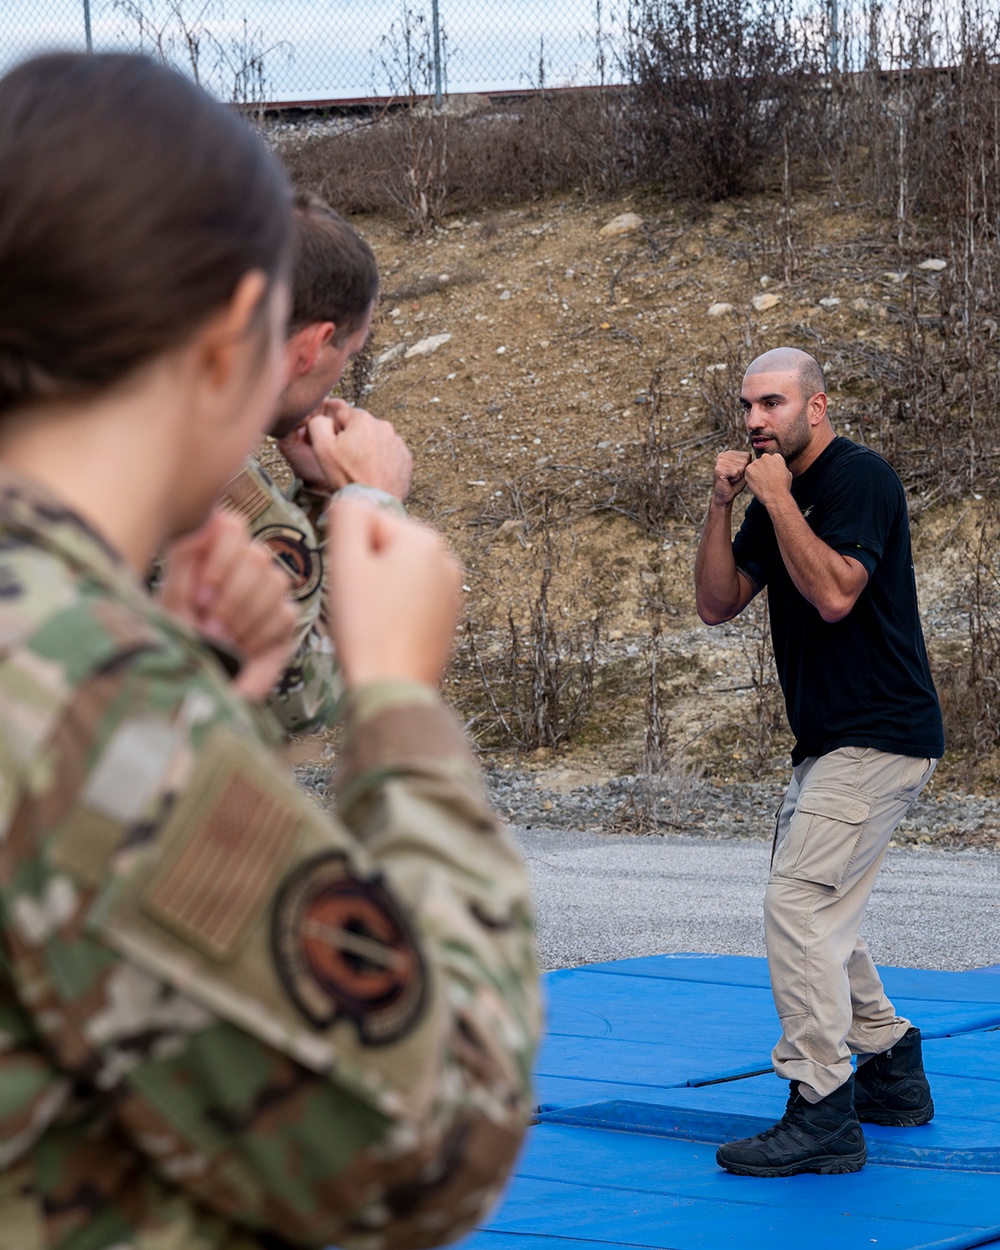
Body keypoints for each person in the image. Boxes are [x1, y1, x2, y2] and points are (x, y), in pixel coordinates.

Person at [0, 50, 538, 1248]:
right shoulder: (86, 695)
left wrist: (201, 690)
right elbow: (434, 1138)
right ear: (246, 327)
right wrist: (399, 705)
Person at [694, 347, 943, 1178]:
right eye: (747, 406)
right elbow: (718, 604)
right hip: (830, 739)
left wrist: (776, 498)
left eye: (771, 403)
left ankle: (822, 1110)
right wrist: (724, 505)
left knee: (798, 906)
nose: (755, 421)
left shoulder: (860, 478)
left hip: (879, 734)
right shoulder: (771, 489)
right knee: (823, 908)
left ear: (817, 405)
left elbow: (836, 593)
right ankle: (889, 1066)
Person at [221, 194, 413, 735]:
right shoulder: (197, 464)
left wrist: (320, 494)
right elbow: (299, 695)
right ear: (311, 347)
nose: (337, 380)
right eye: (346, 357)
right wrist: (372, 506)